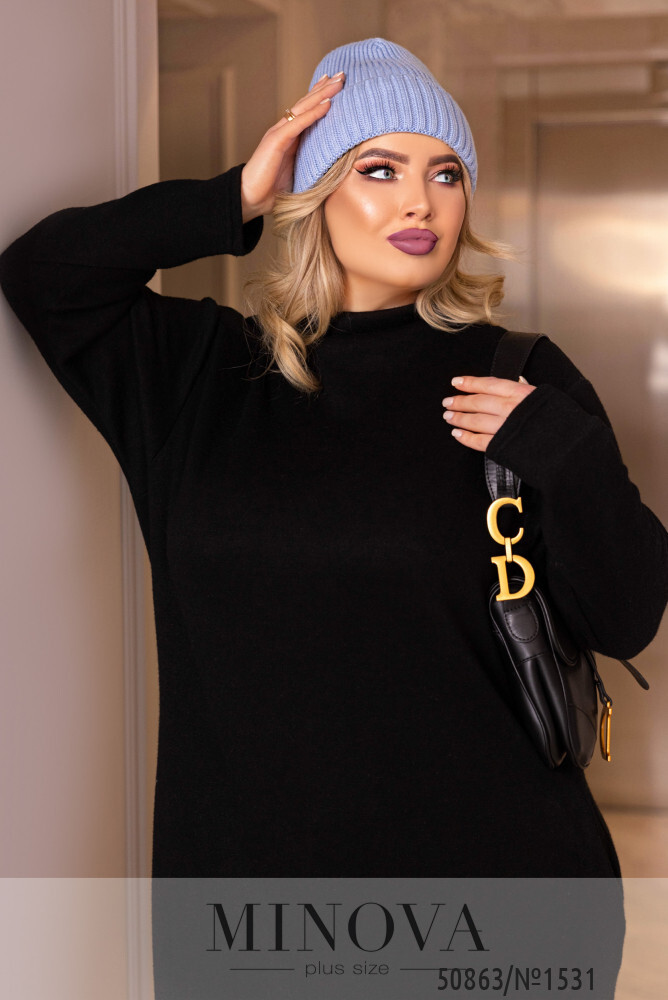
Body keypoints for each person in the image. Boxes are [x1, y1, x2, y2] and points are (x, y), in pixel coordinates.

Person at [1, 32, 666, 885]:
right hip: (250, 904)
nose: (420, 202)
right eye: (379, 169)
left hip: (497, 887)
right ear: (314, 190)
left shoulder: (520, 377)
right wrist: (237, 196)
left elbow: (628, 618)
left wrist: (567, 453)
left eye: (447, 174)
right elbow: (42, 274)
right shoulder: (201, 377)